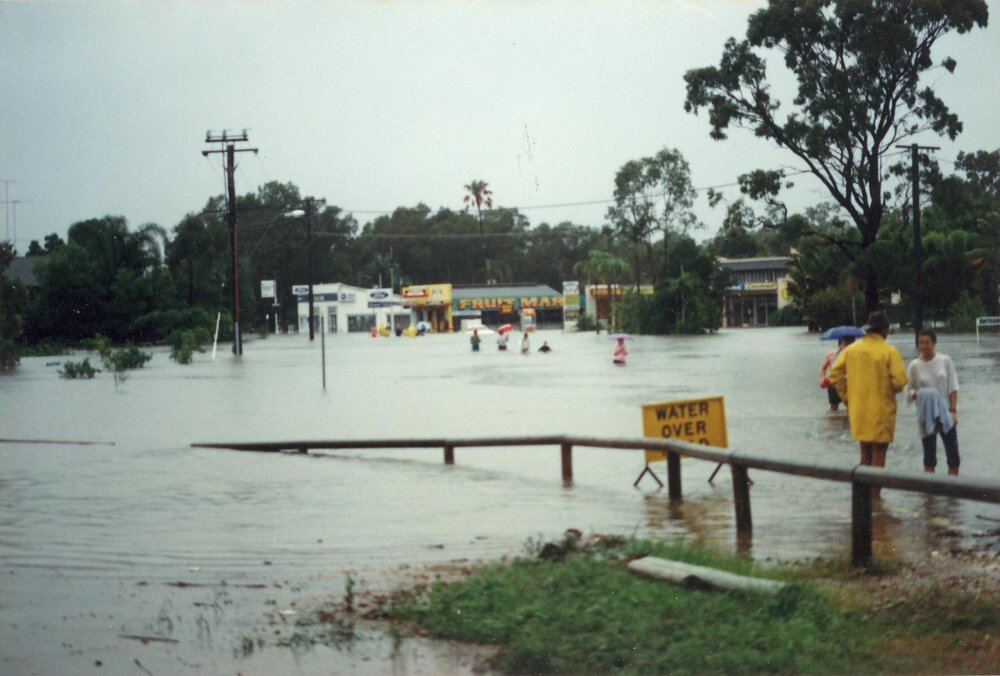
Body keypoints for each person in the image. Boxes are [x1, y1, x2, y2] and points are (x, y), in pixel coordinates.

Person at [828, 311, 907, 499]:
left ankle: (862, 497)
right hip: (881, 409)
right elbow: (899, 382)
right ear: (884, 330)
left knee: (865, 454)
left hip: (858, 409)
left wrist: (848, 397)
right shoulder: (889, 351)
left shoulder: (851, 350)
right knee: (879, 453)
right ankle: (875, 498)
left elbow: (835, 375)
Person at [906, 329, 960, 475]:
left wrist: (953, 411)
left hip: (945, 412)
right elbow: (909, 391)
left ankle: (952, 492)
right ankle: (930, 495)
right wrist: (922, 394)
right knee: (929, 457)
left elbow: (953, 387)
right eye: (920, 343)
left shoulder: (945, 360)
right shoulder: (914, 365)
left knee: (953, 455)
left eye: (927, 343)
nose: (923, 346)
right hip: (926, 413)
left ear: (934, 343)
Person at [820, 336, 854, 411]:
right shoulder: (831, 354)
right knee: (833, 408)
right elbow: (822, 369)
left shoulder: (852, 355)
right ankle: (835, 421)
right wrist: (823, 379)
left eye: (849, 344)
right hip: (833, 384)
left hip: (847, 384)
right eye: (845, 344)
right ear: (839, 344)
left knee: (850, 408)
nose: (846, 346)